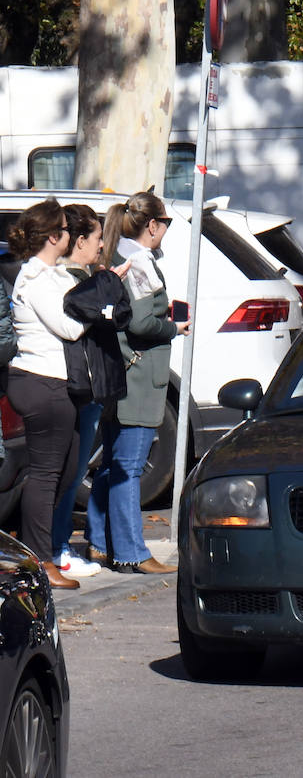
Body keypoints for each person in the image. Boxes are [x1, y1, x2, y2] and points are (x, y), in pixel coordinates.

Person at [87, 192, 183, 575]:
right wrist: (173, 327)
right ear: (153, 226)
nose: (165, 231)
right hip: (140, 378)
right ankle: (131, 552)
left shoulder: (116, 254)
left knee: (112, 463)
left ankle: (99, 542)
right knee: (128, 468)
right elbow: (142, 322)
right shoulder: (139, 262)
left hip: (121, 373)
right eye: (166, 224)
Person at [7, 199, 87, 588]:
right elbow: (69, 328)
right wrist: (96, 309)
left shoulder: (56, 275)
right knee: (45, 474)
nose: (72, 233)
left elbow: (76, 302)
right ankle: (40, 561)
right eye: (66, 229)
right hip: (40, 381)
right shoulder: (35, 279)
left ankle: (31, 551)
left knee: (67, 469)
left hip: (59, 382)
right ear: (53, 236)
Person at [52, 203, 129, 580]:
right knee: (70, 473)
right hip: (79, 387)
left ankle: (60, 545)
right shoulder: (71, 283)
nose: (101, 246)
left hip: (86, 389)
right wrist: (107, 283)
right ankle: (59, 547)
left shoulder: (78, 277)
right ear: (80, 240)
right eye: (97, 238)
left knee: (71, 470)